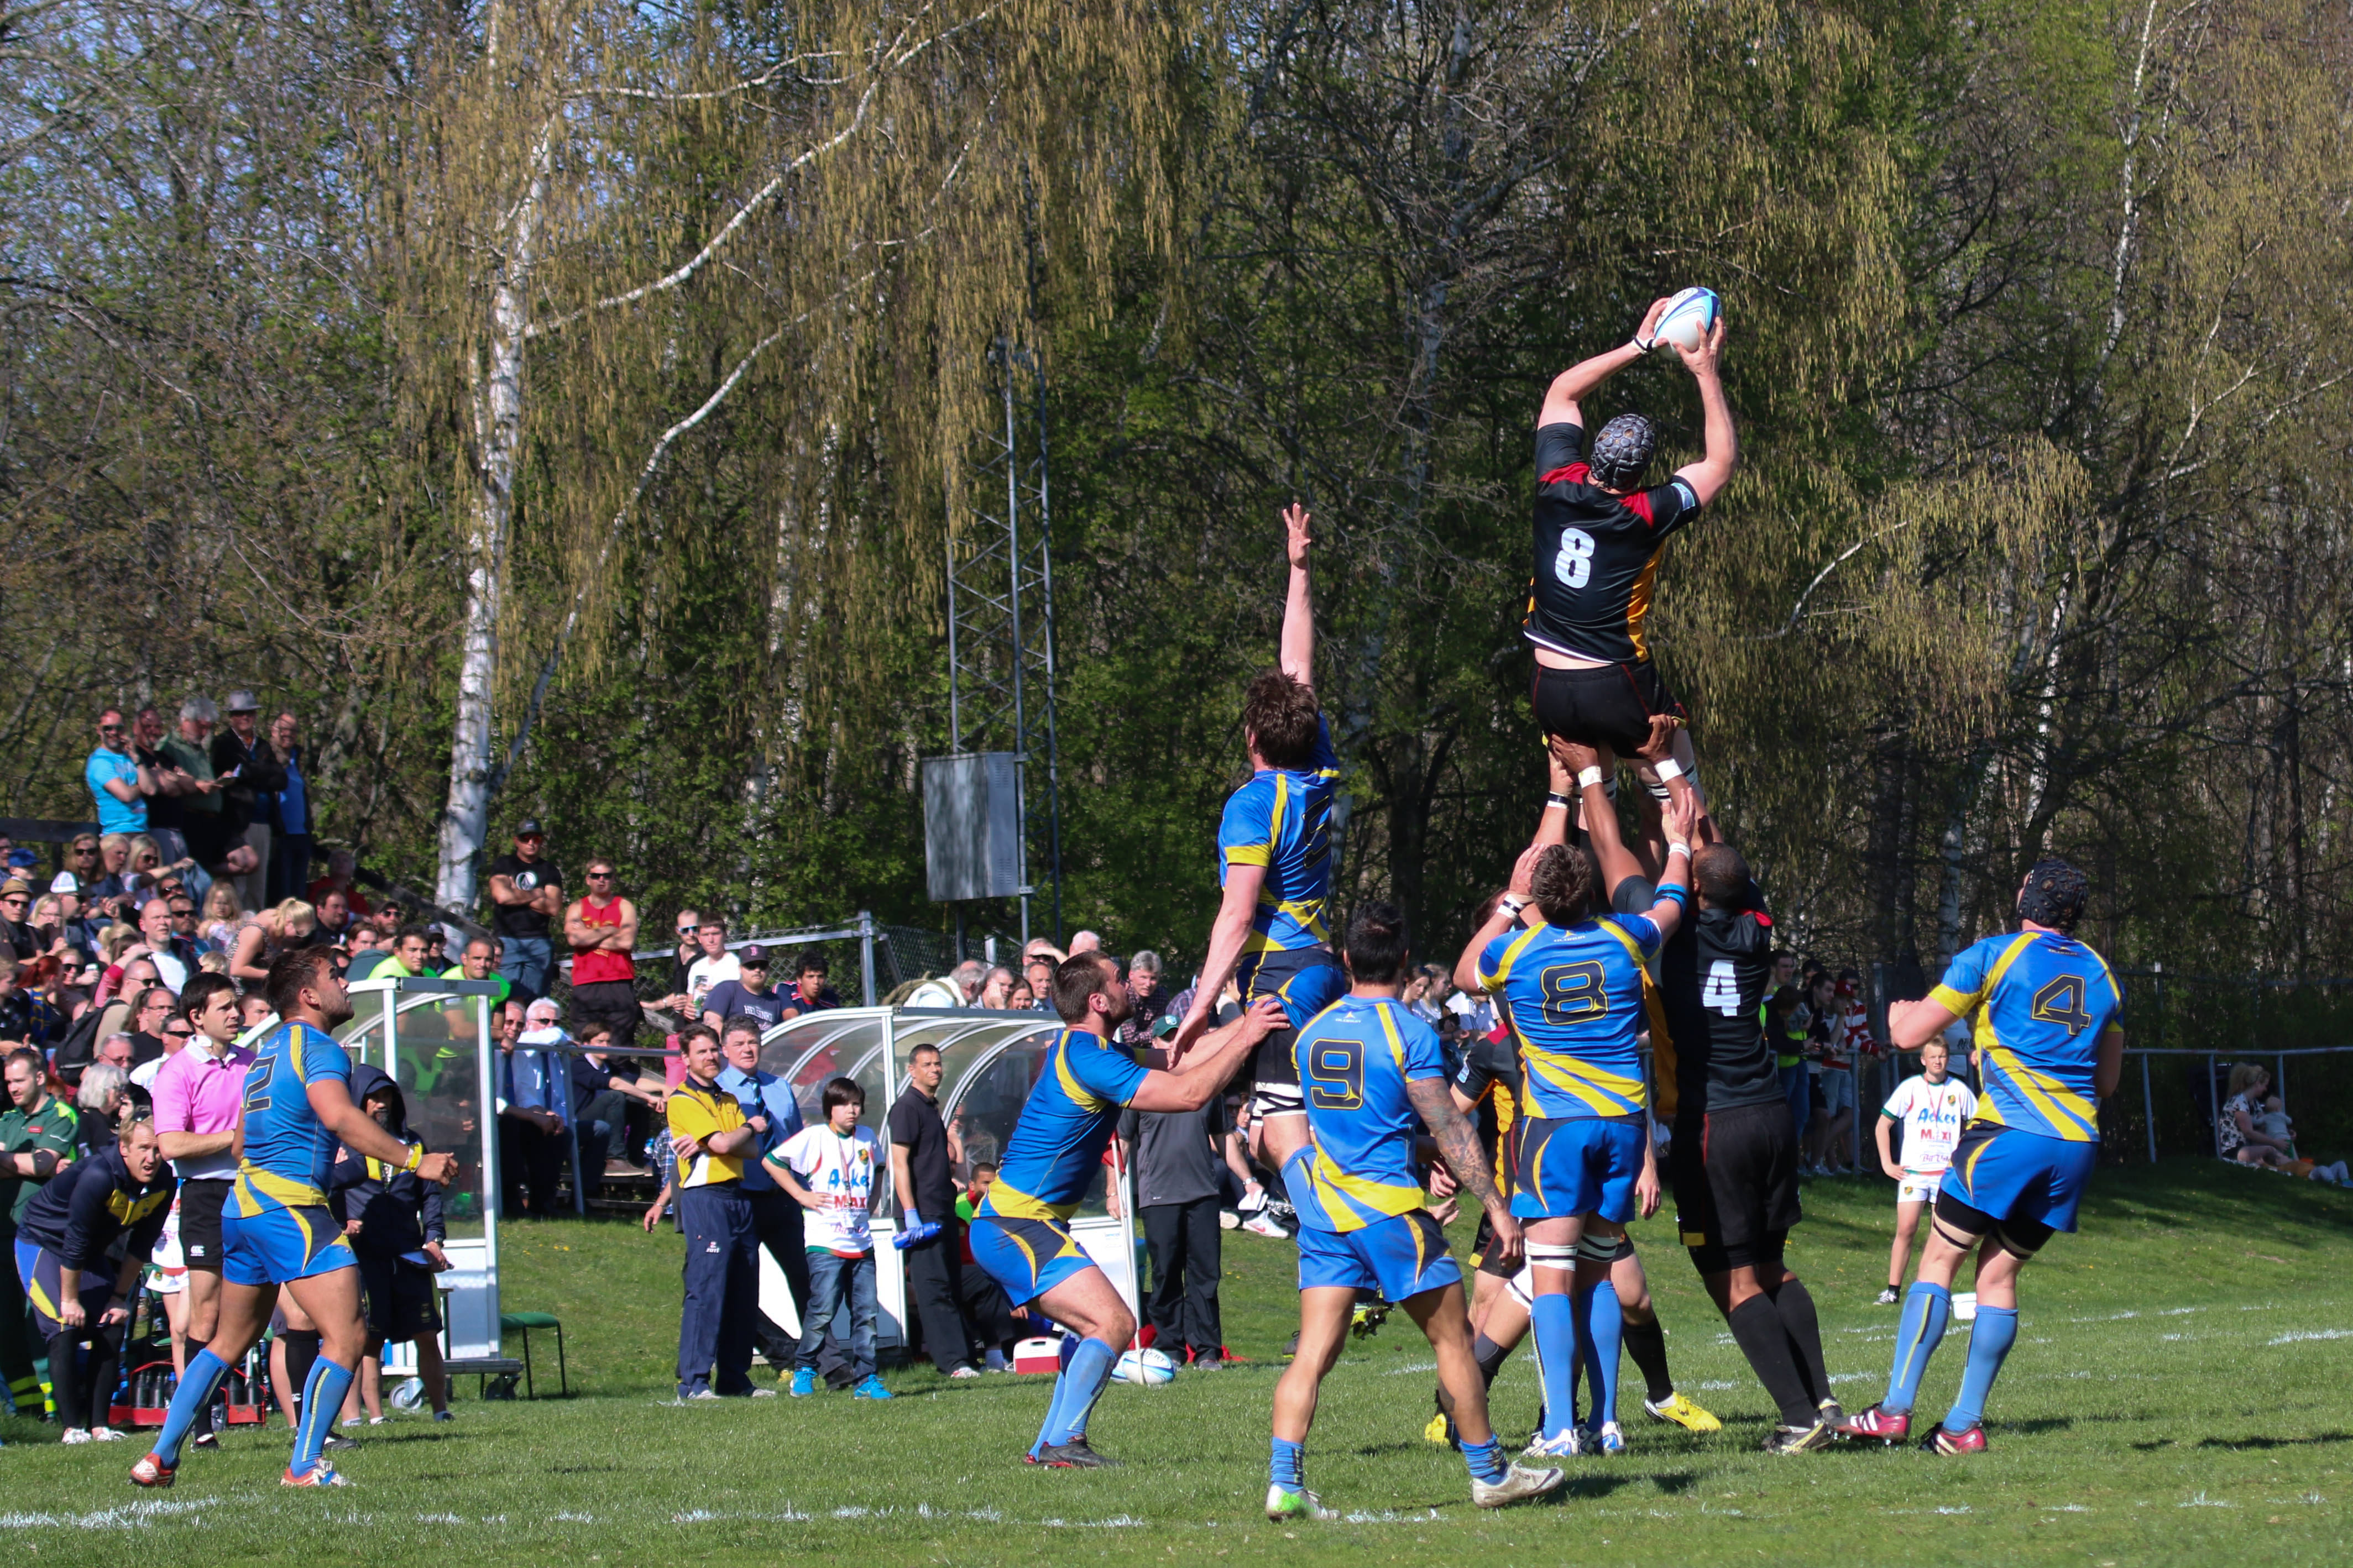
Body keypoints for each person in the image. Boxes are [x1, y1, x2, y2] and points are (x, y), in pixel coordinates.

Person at [1268, 903, 1563, 1519]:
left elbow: (1360, 1120)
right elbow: (1450, 1123)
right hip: (1389, 1212)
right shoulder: (1408, 1031)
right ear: (1404, 961)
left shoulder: (1313, 1030)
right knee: (1454, 1339)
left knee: (1313, 1353)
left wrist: (1417, 1147)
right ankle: (1490, 1474)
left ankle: (1284, 1482)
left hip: (1325, 1212)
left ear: (1345, 959)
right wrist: (1494, 1203)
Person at [132, 946, 459, 1488]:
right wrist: (415, 1159)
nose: (345, 984)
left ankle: (159, 1457)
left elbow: (241, 1142)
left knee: (227, 1342)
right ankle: (304, 1465)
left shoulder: (264, 1055)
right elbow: (340, 1116)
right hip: (290, 1207)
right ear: (308, 994)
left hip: (241, 1206)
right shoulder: (319, 1047)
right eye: (335, 976)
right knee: (348, 1333)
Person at [1838, 859, 2125, 1455]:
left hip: (2007, 1135)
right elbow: (2106, 1081)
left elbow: (1907, 1035)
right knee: (1998, 1273)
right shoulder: (2104, 975)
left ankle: (1893, 1409)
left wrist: (1898, 1017)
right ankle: (1962, 1425)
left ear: (2029, 899)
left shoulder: (1993, 954)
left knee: (1939, 1258)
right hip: (2075, 1144)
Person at [1454, 783, 1694, 1460]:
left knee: (1552, 1277)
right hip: (1621, 1125)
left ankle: (1559, 1425)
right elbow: (1671, 904)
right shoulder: (1623, 937)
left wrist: (1508, 902)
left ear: (1536, 898)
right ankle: (1605, 1420)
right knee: (1598, 1271)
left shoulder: (1514, 952)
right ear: (1588, 892)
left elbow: (1465, 971)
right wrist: (1677, 842)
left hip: (1554, 1127)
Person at [969, 951, 1282, 1467]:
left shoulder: (1091, 1049)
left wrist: (1248, 1022)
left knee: (1096, 1327)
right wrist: (1248, 1036)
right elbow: (1190, 1093)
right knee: (1114, 1323)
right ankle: (1063, 1441)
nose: (1129, 986)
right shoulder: (1089, 1058)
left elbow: (1177, 1059)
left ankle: (1048, 1445)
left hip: (1019, 1223)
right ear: (1098, 1000)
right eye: (1119, 979)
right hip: (1015, 1224)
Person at [1170, 503, 1345, 1181]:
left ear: (1251, 737)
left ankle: (1344, 1226)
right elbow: (1296, 663)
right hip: (1319, 963)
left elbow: (1237, 915)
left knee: (1278, 1133)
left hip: (1279, 975)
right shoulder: (1317, 766)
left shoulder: (1251, 804)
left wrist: (1198, 1005)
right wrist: (1298, 570)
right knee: (1308, 1126)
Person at [1521, 299, 1735, 782]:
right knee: (1677, 785)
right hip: (1612, 678)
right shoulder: (1645, 513)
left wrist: (1638, 346)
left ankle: (1596, 800)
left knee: (1587, 791)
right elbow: (1719, 464)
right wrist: (1705, 373)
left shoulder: (1554, 481)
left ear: (1593, 450)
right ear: (1641, 473)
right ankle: (1685, 824)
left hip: (1546, 681)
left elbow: (1562, 392)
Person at [15, 1116, 174, 1442]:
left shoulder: (164, 1182)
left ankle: (100, 1426)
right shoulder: (99, 1175)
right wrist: (70, 1299)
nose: (151, 1158)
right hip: (44, 1243)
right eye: (144, 1149)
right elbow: (75, 1239)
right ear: (124, 1148)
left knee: (112, 1325)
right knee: (64, 1325)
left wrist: (118, 1296)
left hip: (87, 1250)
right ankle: (72, 1428)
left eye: (158, 1150)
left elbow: (141, 1244)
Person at [148, 971, 252, 1452]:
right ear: (196, 1016)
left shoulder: (251, 1061)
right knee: (206, 1314)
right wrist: (234, 1139)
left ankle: (314, 1423)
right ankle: (200, 1422)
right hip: (206, 1196)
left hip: (256, 1190)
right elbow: (171, 1145)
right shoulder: (177, 1072)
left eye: (236, 1005)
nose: (236, 1013)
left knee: (293, 1306)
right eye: (225, 1007)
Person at [328, 1065, 453, 1424]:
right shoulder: (342, 1146)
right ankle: (362, 1417)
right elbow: (323, 1190)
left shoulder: (413, 1144)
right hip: (362, 1254)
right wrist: (340, 1225)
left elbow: (430, 1196)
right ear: (358, 1102)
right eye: (373, 1098)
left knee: (427, 1332)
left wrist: (434, 1239)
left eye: (387, 1097)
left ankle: (441, 1410)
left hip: (408, 1253)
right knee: (364, 1337)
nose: (381, 1104)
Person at [1117, 1013, 1239, 1369]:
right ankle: (1170, 1347)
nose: (1173, 1044)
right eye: (1167, 1038)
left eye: (1178, 1038)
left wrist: (1248, 1180)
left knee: (1205, 1276)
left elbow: (1223, 1138)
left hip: (1203, 1193)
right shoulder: (1141, 1085)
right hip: (1158, 1195)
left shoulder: (1206, 1084)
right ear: (1154, 1043)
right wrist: (1113, 1191)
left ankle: (1207, 1350)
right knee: (1165, 1273)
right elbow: (1122, 1142)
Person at [660, 1024, 771, 1401]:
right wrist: (748, 1127)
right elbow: (726, 1143)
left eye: (713, 1050)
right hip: (705, 1197)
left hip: (737, 1196)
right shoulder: (683, 1099)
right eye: (701, 1052)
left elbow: (749, 1151)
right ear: (686, 1058)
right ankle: (694, 1382)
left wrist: (725, 1140)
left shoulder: (728, 1098)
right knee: (707, 1289)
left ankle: (735, 1379)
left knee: (744, 1289)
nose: (710, 1057)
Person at [772, 1077, 889, 1399]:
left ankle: (867, 1378)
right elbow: (773, 1161)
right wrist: (802, 1195)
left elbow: (879, 1168)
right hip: (826, 1241)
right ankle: (805, 1368)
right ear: (830, 1108)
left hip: (861, 1241)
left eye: (856, 1104)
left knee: (866, 1314)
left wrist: (873, 1201)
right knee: (823, 1310)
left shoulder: (867, 1137)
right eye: (844, 1104)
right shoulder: (815, 1137)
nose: (852, 1110)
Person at [715, 1016, 810, 1378]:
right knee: (738, 1284)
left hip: (783, 1197)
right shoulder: (718, 1090)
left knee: (806, 1279)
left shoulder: (779, 1087)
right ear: (725, 1049)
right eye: (739, 1043)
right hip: (741, 1197)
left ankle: (823, 1360)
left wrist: (805, 1191)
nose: (748, 1049)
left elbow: (796, 1142)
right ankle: (780, 1352)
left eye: (753, 1042)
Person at [0, 1046, 80, 1418]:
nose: (12, 1088)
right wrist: (27, 1163)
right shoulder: (7, 1119)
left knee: (41, 1323)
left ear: (38, 1077)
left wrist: (26, 1163)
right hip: (5, 1233)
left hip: (43, 1236)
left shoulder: (60, 1115)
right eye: (8, 1082)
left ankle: (57, 1410)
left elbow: (43, 1163)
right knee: (7, 1326)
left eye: (18, 1080)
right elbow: (35, 1165)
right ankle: (29, 1412)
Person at [888, 1042, 975, 1378]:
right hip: (921, 1213)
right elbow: (899, 1163)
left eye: (937, 1064)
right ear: (911, 1070)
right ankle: (953, 1362)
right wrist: (910, 1214)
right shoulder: (907, 1107)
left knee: (951, 1283)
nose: (934, 1070)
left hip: (941, 1208)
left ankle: (965, 1357)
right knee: (933, 1286)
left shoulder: (930, 1107)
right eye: (926, 1064)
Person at [1875, 1040, 1978, 1304]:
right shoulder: (1910, 1088)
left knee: (1939, 1237)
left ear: (1948, 1059)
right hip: (1914, 1173)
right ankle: (1892, 1291)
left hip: (1945, 1175)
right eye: (1933, 1057)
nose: (1938, 1061)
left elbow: (1978, 1126)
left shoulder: (1959, 1090)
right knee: (1906, 1229)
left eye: (1942, 1056)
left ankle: (1927, 1292)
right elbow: (1882, 1125)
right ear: (1923, 1060)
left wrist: (1964, 1158)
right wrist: (1887, 1164)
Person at [211, 690, 286, 913]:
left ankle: (255, 926)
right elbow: (224, 775)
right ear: (231, 716)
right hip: (237, 823)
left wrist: (245, 772)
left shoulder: (263, 746)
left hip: (264, 823)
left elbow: (281, 779)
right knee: (239, 885)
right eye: (240, 713)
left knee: (258, 886)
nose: (246, 717)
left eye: (250, 713)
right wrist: (261, 772)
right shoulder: (222, 743)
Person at [564, 856, 641, 1050]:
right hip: (586, 985)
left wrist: (588, 936)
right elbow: (574, 939)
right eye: (596, 876)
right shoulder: (577, 907)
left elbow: (626, 942)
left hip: (619, 983)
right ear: (587, 879)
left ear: (613, 879)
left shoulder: (624, 906)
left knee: (620, 1048)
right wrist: (609, 929)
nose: (601, 880)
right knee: (587, 1047)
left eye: (607, 876)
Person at [499, 999, 567, 1217]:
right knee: (510, 1125)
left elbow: (526, 1097)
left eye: (520, 1024)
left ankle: (543, 1202)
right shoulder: (486, 1052)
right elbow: (493, 1103)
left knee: (553, 1129)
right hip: (491, 1118)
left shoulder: (520, 1055)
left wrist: (547, 1114)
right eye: (509, 1022)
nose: (515, 1028)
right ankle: (511, 1200)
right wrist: (532, 1115)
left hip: (514, 1115)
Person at [485, 821, 562, 1003]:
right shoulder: (504, 864)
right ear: (516, 841)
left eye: (536, 839)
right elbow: (502, 897)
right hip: (507, 940)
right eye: (525, 838)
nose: (531, 843)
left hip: (539, 943)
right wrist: (537, 893)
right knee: (504, 998)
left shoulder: (549, 870)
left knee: (536, 1001)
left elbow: (553, 908)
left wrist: (516, 893)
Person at [263, 713, 314, 905]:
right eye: (283, 729)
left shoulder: (298, 757)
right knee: (282, 895)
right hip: (280, 835)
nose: (288, 734)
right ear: (273, 731)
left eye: (293, 731)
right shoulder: (266, 755)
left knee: (299, 894)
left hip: (301, 835)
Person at [229, 899, 317, 987]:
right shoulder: (255, 933)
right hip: (237, 985)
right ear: (289, 922)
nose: (299, 940)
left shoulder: (280, 921)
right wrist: (275, 975)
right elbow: (236, 970)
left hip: (261, 983)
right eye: (298, 935)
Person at [2218, 1063, 2290, 1167]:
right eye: (2265, 1085)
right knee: (2270, 1150)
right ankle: (2293, 1167)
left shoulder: (2255, 1103)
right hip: (2235, 1149)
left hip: (2251, 1145)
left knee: (2283, 1143)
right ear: (2257, 1084)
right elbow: (2249, 1133)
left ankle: (2296, 1166)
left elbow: (2265, 1125)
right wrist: (2275, 1142)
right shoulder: (2239, 1103)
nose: (2266, 1089)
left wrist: (2284, 1133)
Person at [703, 945, 786, 1034]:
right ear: (740, 969)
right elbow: (712, 1023)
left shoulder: (775, 1001)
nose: (757, 970)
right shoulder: (726, 990)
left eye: (762, 966)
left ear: (768, 969)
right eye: (751, 966)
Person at [683, 915, 740, 1016]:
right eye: (705, 935)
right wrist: (688, 1011)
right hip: (702, 1022)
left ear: (725, 935)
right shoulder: (696, 968)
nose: (711, 940)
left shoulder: (737, 965)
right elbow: (691, 1004)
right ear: (699, 938)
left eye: (715, 934)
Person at [780, 949, 842, 1018]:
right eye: (811, 977)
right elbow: (791, 1019)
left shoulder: (830, 999)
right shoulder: (785, 989)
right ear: (799, 979)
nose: (816, 982)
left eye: (820, 977)